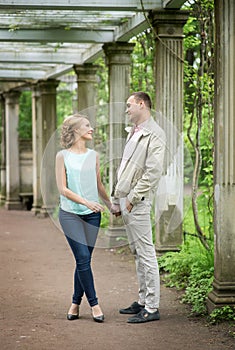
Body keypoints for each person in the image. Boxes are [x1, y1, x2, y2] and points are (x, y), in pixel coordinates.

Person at [111, 92, 166, 323]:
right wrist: (117, 198)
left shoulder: (156, 134)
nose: (127, 109)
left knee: (146, 253)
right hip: (126, 201)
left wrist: (132, 198)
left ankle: (152, 308)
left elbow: (153, 172)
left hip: (138, 203)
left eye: (129, 105)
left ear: (141, 104)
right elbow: (125, 169)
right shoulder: (134, 133)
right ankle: (143, 300)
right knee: (137, 254)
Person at [55, 113, 112, 323]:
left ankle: (75, 303)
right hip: (70, 214)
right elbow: (62, 189)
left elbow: (98, 184)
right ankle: (95, 304)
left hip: (93, 216)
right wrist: (86, 202)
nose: (92, 129)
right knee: (83, 259)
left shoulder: (94, 155)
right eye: (87, 125)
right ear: (76, 130)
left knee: (83, 261)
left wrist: (109, 204)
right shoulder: (62, 156)